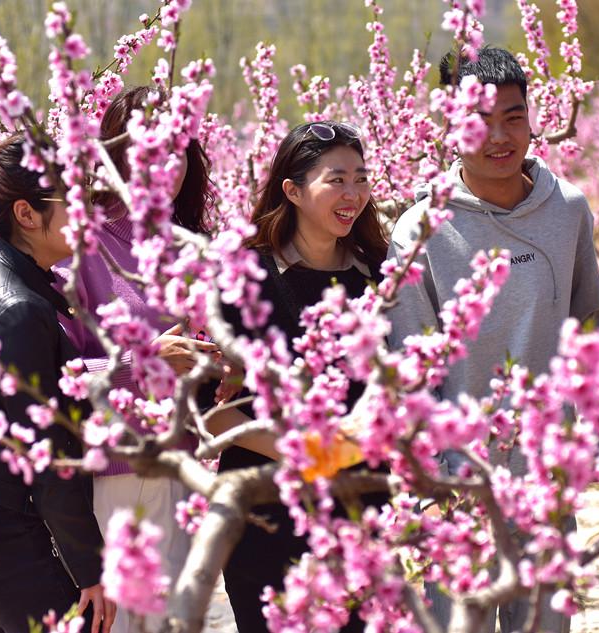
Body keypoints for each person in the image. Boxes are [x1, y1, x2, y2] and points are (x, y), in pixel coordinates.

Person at [386, 46, 599, 633]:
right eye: (481, 122)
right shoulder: (420, 230)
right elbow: (409, 373)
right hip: (458, 486)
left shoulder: (567, 209)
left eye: (514, 117)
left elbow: (590, 321)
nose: (500, 137)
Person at [205, 120, 388, 632]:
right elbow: (208, 412)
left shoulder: (379, 274)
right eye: (337, 180)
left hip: (360, 509)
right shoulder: (243, 278)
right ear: (292, 190)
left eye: (361, 178)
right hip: (268, 514)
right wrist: (307, 453)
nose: (353, 194)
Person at [54, 86, 217, 633]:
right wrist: (141, 361)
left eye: (179, 148)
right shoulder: (83, 245)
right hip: (114, 472)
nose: (167, 164)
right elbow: (57, 375)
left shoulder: (192, 246)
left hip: (183, 463)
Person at [0, 132, 115, 633]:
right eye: (73, 201)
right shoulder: (20, 308)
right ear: (25, 213)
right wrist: (91, 571)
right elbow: (47, 455)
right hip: (4, 540)